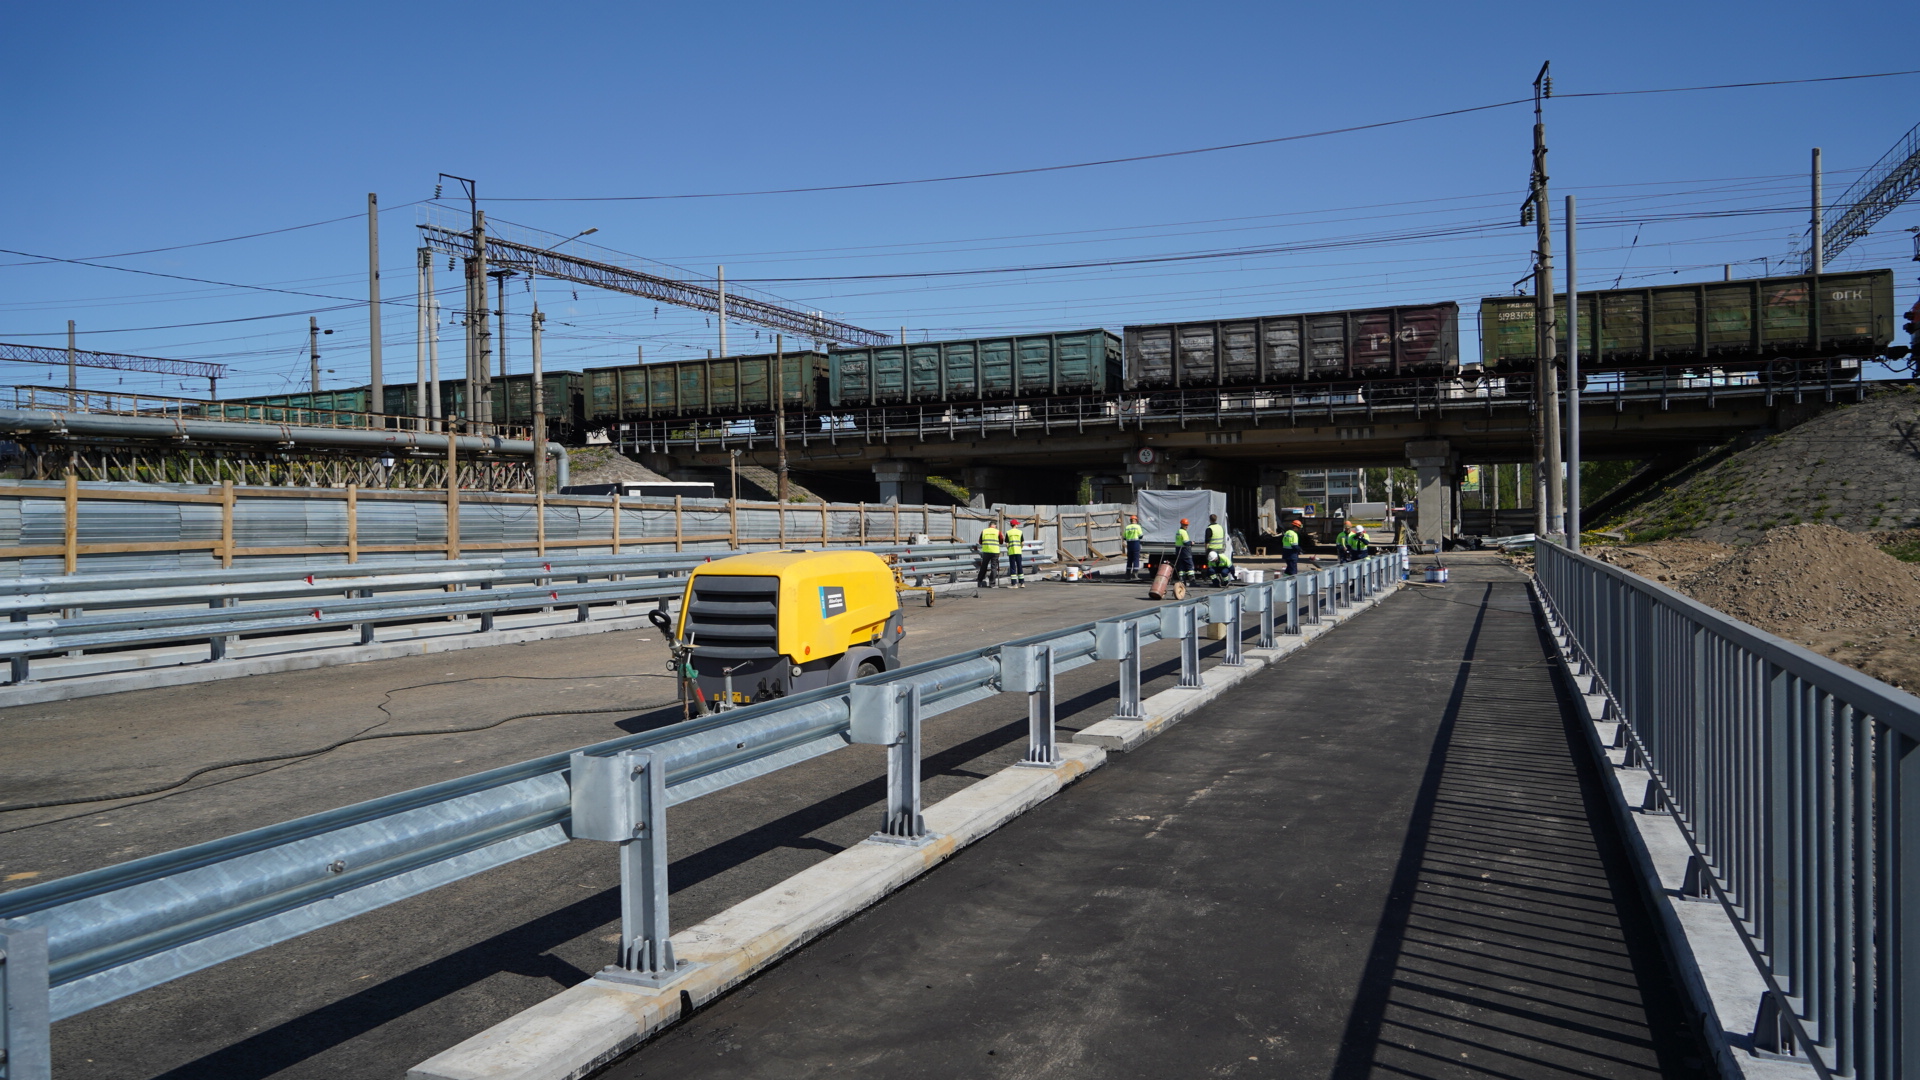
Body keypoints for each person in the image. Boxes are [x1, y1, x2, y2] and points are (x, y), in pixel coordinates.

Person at [976, 522, 1002, 589]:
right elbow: (1001, 541)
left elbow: (980, 542)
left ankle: (979, 580)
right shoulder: (998, 532)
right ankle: (992, 584)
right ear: (995, 525)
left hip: (986, 551)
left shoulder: (984, 531)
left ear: (989, 525)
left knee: (984, 566)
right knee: (993, 568)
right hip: (995, 551)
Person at [1203, 515, 1227, 586]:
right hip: (1220, 550)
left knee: (1211, 567)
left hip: (1212, 550)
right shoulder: (1220, 527)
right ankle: (1224, 580)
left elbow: (1207, 541)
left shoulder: (1209, 528)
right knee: (1220, 565)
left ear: (1210, 519)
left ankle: (1215, 582)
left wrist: (1206, 551)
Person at [1173, 518, 1195, 585]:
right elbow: (1185, 542)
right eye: (1185, 525)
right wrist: (1191, 543)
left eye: (1187, 525)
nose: (1186, 526)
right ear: (1182, 524)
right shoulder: (1183, 532)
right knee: (1190, 566)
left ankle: (1182, 581)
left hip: (1179, 551)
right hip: (1185, 551)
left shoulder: (1178, 531)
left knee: (1181, 567)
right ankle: (1192, 581)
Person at [1005, 518, 1026, 589]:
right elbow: (1022, 543)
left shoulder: (1008, 532)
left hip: (1011, 552)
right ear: (1015, 524)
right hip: (1018, 551)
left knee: (1013, 568)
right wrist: (1020, 547)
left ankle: (1014, 584)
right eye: (1017, 524)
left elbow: (1006, 544)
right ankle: (1022, 583)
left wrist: (1008, 549)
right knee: (1020, 566)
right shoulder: (1020, 532)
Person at [1122, 515, 1145, 580]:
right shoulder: (1138, 526)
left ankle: (1127, 574)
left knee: (1129, 559)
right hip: (1135, 543)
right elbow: (1140, 536)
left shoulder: (1127, 527)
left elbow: (1124, 537)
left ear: (1130, 520)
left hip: (1129, 544)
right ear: (1136, 520)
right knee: (1136, 559)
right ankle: (1135, 574)